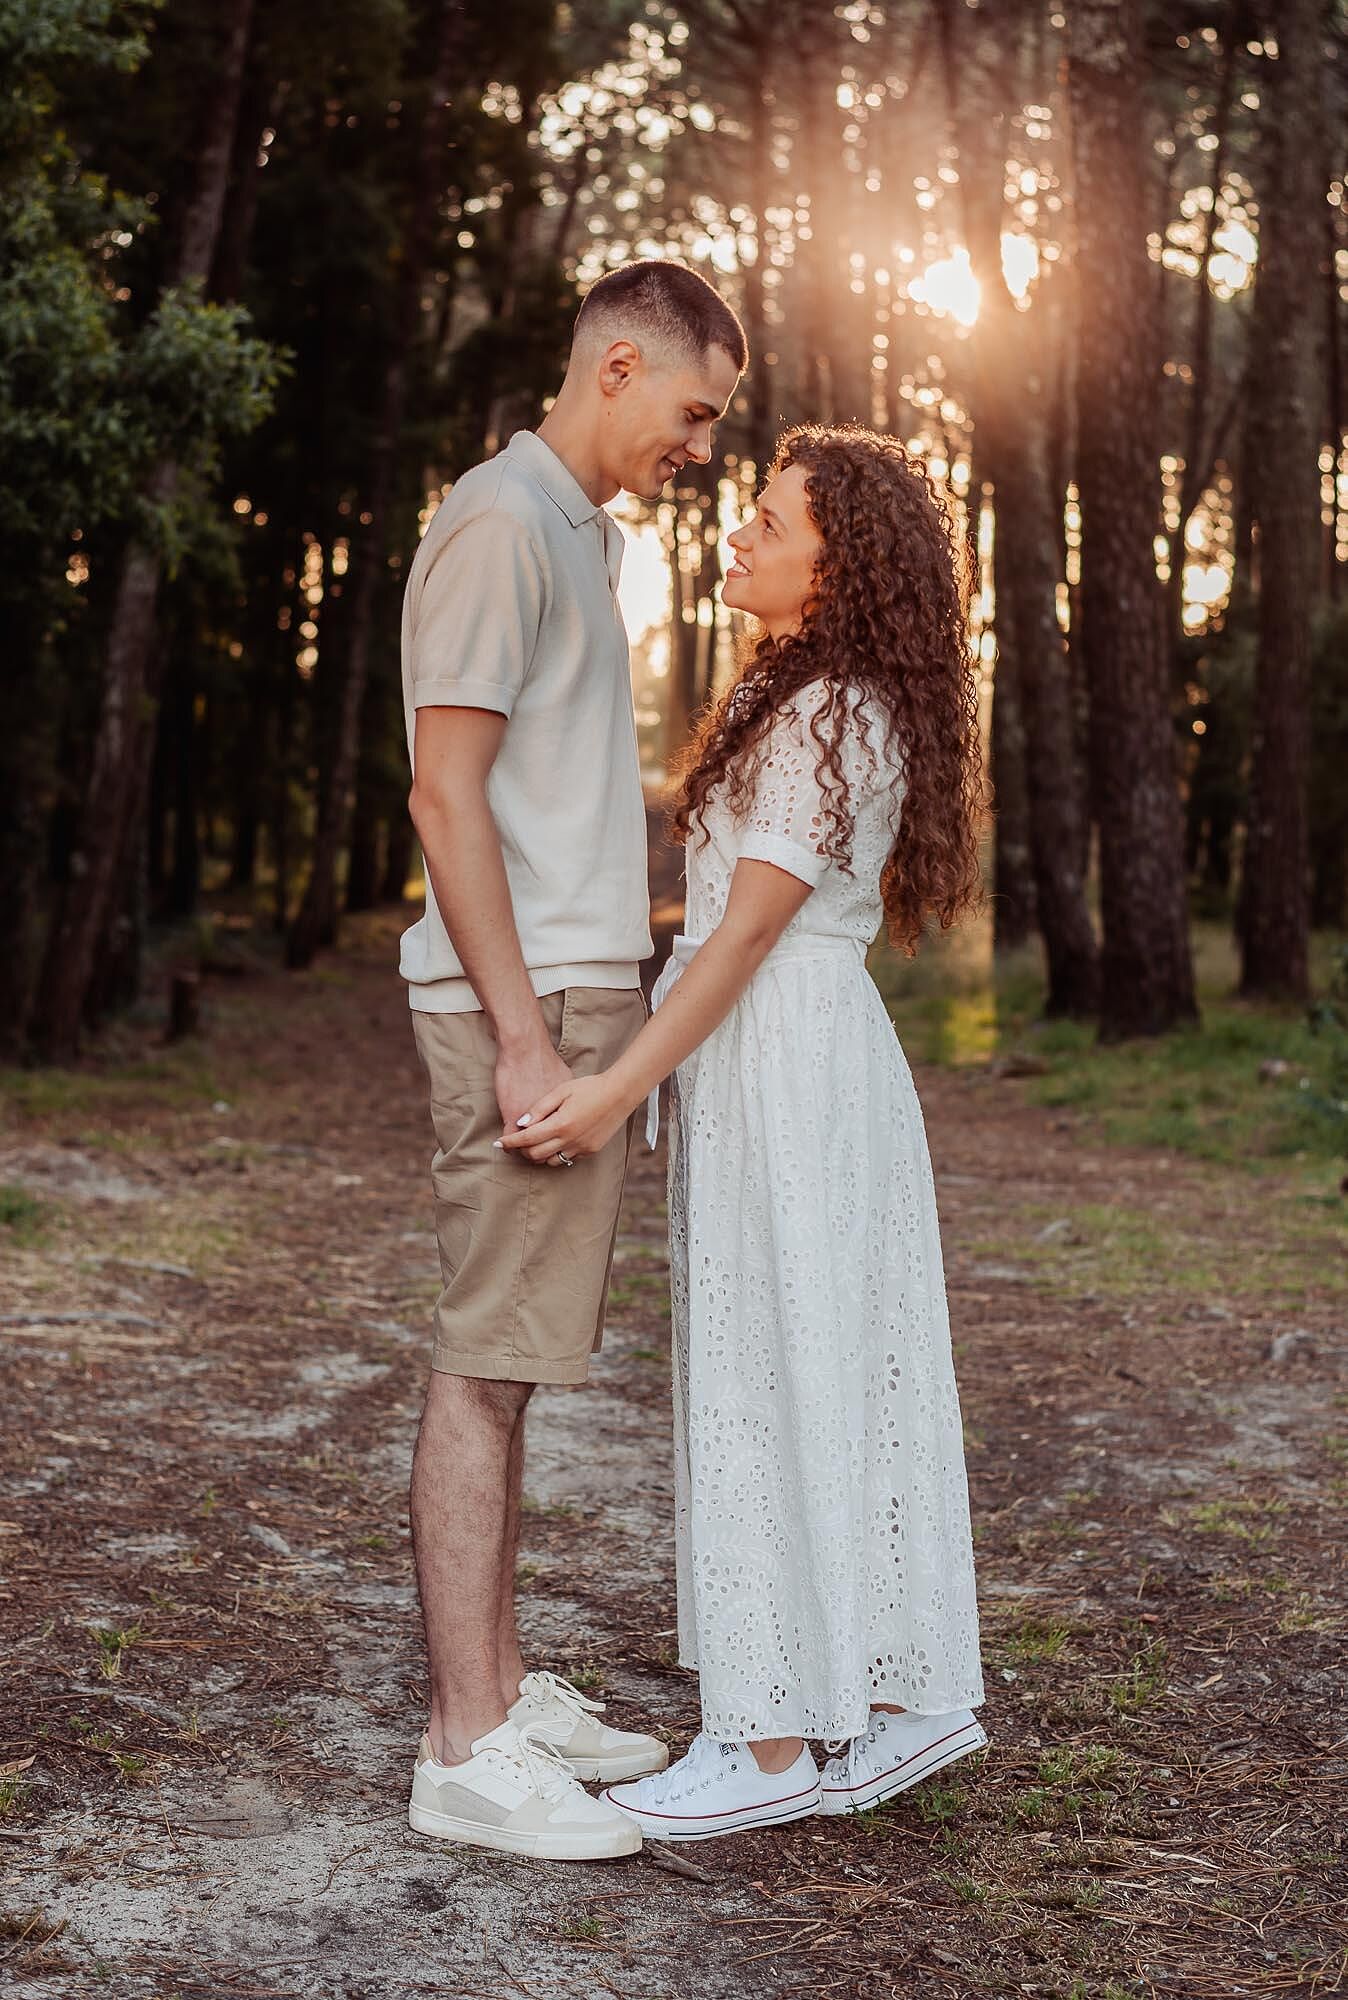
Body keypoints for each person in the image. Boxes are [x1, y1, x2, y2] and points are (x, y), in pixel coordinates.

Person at [501, 424, 987, 1840]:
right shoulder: (809, 696)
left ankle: (770, 1744)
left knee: (781, 1366)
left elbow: (739, 945)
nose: (740, 534)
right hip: (789, 1061)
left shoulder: (833, 710)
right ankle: (894, 1706)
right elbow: (720, 927)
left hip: (786, 1059)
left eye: (769, 522)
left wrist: (607, 1087)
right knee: (820, 1360)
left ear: (843, 567)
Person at [402, 260, 745, 1861]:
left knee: (522, 1357)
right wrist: (531, 1032)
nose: (701, 443)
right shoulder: (495, 522)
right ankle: (467, 1748)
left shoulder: (579, 535)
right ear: (617, 366)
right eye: (694, 410)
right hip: (515, 1003)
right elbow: (444, 800)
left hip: (566, 985)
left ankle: (503, 1686)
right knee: (485, 1362)